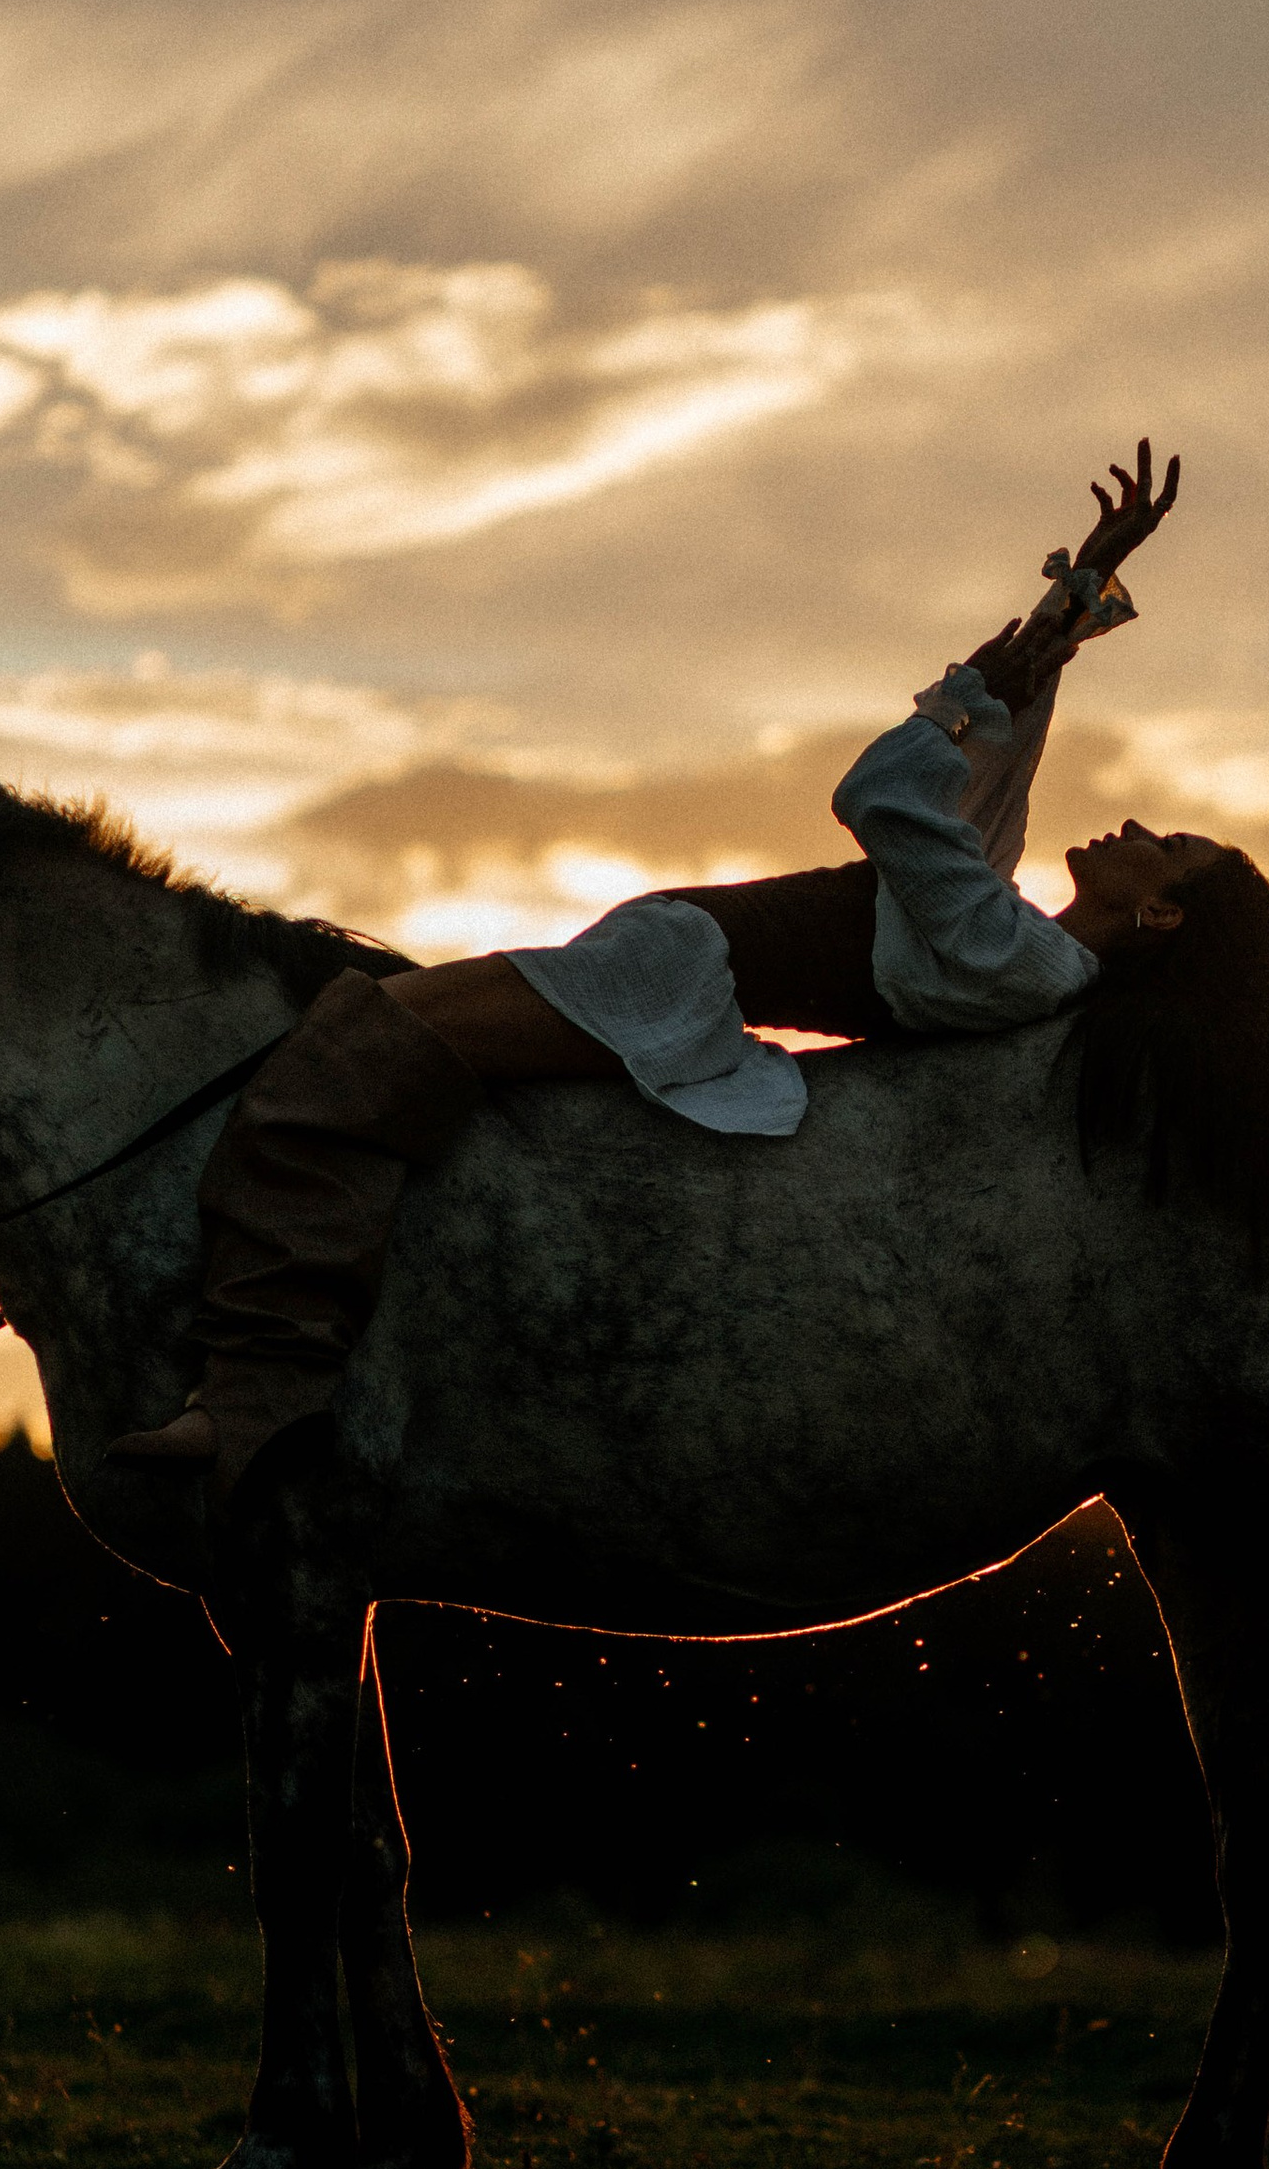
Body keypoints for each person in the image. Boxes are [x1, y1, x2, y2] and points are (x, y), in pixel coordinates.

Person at [117, 441, 1212, 1502]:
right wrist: (1080, 591)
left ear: (1158, 915)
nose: (1131, 823)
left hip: (658, 990)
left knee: (349, 1048)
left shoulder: (1022, 961)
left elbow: (882, 794)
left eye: (1164, 846)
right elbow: (982, 776)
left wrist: (963, 694)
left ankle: (254, 1400)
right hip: (653, 972)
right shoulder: (1008, 928)